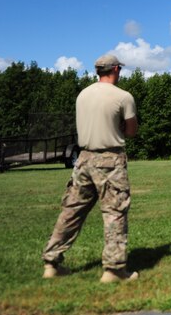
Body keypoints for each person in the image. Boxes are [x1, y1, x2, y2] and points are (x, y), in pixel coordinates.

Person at [42, 54, 140, 283]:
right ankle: (114, 270)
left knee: (71, 211)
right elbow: (132, 131)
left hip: (83, 160)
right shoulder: (123, 97)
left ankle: (51, 263)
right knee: (114, 212)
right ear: (116, 69)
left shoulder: (82, 95)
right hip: (110, 160)